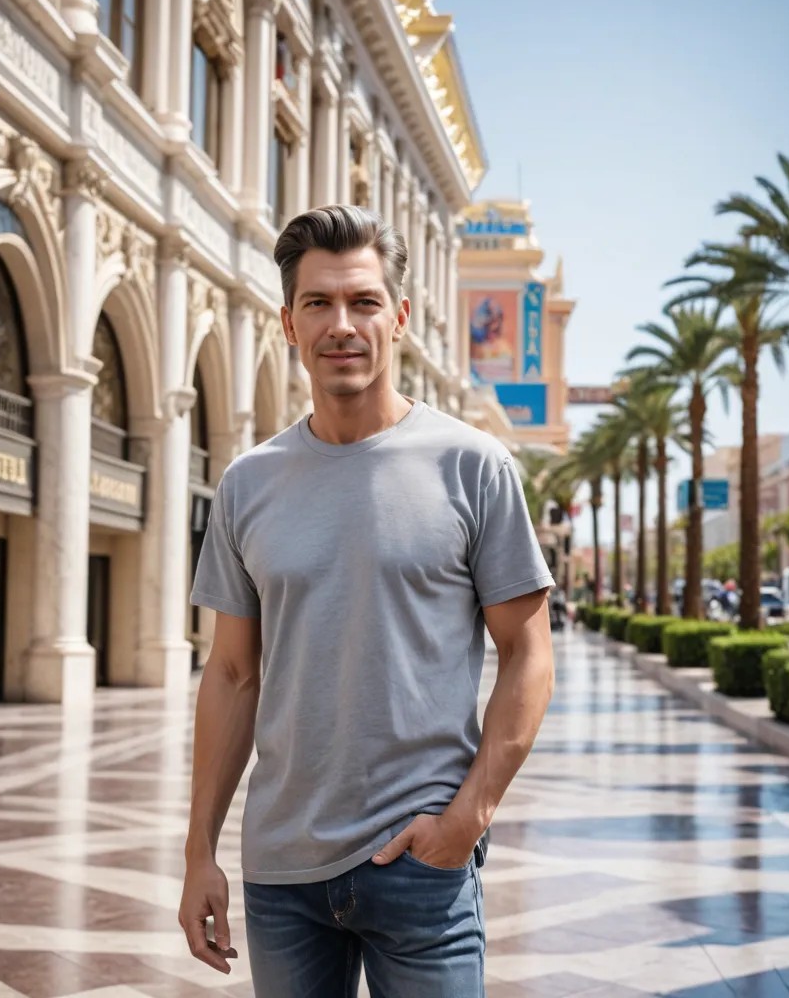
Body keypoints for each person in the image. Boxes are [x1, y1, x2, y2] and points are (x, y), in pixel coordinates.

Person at [178, 205, 556, 997]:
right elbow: (233, 674)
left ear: (400, 318)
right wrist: (198, 851)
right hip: (282, 873)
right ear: (289, 322)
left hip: (422, 866)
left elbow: (528, 654)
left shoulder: (473, 466)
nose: (341, 325)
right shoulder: (247, 484)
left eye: (364, 302)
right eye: (318, 303)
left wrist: (467, 819)